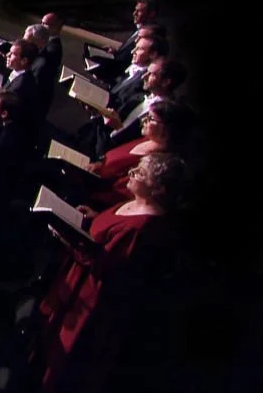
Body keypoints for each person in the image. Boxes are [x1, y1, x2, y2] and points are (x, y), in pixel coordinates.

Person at [35, 153, 185, 393]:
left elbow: (108, 268)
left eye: (140, 173)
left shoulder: (142, 228)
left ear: (158, 189)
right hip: (77, 280)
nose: (131, 173)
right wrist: (94, 218)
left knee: (63, 360)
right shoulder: (135, 201)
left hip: (90, 299)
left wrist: (68, 239)